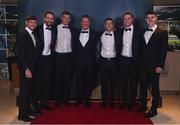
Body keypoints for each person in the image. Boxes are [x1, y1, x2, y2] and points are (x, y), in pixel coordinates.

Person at [138, 10, 168, 118]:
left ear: (156, 18)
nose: (150, 19)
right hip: (142, 66)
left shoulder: (162, 32)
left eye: (152, 17)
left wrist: (160, 65)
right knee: (143, 87)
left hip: (155, 66)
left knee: (154, 88)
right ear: (145, 19)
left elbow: (163, 51)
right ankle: (143, 106)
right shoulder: (143, 32)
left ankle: (154, 109)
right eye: (148, 17)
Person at [118, 12, 142, 110]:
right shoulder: (119, 32)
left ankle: (131, 103)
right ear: (123, 20)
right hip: (123, 60)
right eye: (125, 19)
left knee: (133, 83)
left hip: (134, 61)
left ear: (132, 19)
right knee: (123, 83)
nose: (127, 20)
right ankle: (124, 102)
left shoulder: (139, 31)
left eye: (128, 18)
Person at [17, 15, 39, 122]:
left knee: (30, 91)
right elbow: (21, 54)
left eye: (35, 22)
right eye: (31, 22)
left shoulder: (33, 33)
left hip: (33, 68)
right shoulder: (22, 34)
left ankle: (28, 110)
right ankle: (22, 114)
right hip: (26, 69)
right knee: (24, 92)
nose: (33, 24)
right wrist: (26, 69)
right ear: (26, 22)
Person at [74, 15, 97, 107]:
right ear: (81, 23)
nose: (85, 23)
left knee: (89, 82)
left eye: (87, 21)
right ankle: (79, 99)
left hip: (91, 63)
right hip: (78, 63)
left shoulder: (95, 34)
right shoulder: (75, 33)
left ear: (89, 23)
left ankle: (87, 99)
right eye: (83, 21)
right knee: (79, 81)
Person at [35, 11, 57, 111]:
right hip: (38, 59)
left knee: (46, 83)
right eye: (48, 18)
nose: (50, 20)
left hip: (49, 59)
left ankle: (44, 103)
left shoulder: (54, 30)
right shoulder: (37, 29)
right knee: (38, 83)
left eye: (51, 18)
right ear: (44, 18)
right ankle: (36, 105)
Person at [54, 11, 76, 106]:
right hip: (58, 56)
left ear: (70, 19)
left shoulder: (73, 30)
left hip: (69, 57)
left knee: (67, 79)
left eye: (68, 18)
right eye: (65, 17)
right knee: (58, 79)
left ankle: (65, 99)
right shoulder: (55, 28)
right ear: (61, 18)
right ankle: (57, 100)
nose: (66, 20)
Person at [97, 18, 119, 109]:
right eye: (107, 23)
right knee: (104, 82)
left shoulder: (118, 35)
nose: (109, 25)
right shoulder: (99, 35)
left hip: (114, 61)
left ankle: (112, 101)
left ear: (113, 25)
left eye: (110, 24)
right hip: (103, 61)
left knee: (113, 83)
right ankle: (104, 101)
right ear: (104, 25)